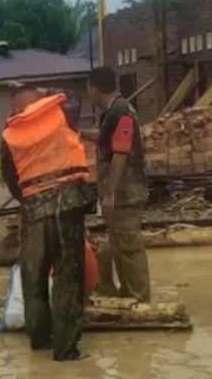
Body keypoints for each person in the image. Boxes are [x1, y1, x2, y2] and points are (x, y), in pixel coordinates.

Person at [0, 85, 89, 361]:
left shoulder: (9, 136)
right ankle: (66, 349)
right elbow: (75, 96)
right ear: (42, 103)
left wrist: (29, 197)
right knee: (67, 276)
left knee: (33, 276)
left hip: (34, 210)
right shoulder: (63, 114)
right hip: (69, 207)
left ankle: (39, 339)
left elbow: (9, 176)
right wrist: (46, 91)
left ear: (16, 109)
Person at [79, 66, 151, 302]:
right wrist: (79, 133)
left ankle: (139, 298)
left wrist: (110, 193)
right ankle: (127, 293)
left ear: (94, 89)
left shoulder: (121, 113)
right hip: (120, 191)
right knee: (119, 244)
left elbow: (120, 153)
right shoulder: (113, 112)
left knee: (129, 246)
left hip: (125, 191)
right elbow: (104, 135)